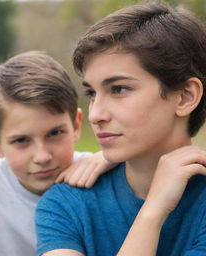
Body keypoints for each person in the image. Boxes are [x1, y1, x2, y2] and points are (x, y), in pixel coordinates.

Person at [36, 2, 206, 256]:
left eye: (119, 89)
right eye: (91, 93)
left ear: (184, 97)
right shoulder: (66, 203)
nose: (95, 115)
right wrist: (153, 210)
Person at [0, 51, 113, 256]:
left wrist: (108, 158)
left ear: (76, 125)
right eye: (21, 140)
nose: (42, 156)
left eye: (54, 133)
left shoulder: (100, 174)